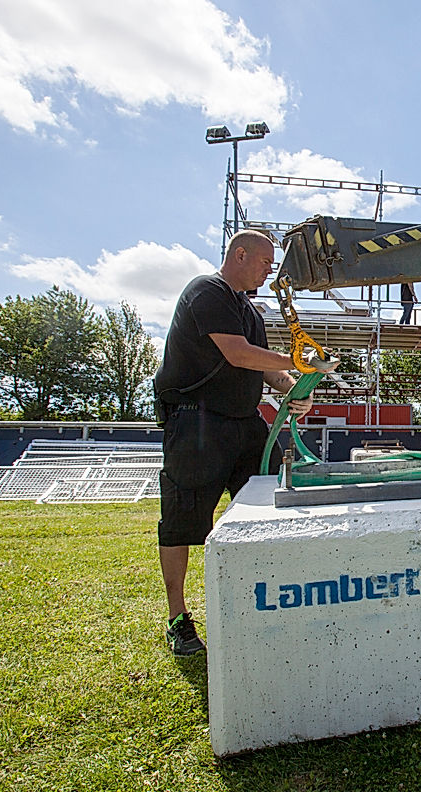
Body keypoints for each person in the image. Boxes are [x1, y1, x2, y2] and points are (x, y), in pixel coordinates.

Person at [153, 229, 313, 657]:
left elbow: (263, 369)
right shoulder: (206, 291)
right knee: (184, 521)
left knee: (272, 502)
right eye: (264, 261)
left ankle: (260, 601)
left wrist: (293, 386)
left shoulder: (251, 312)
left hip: (244, 424)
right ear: (239, 254)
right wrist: (297, 360)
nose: (269, 269)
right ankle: (177, 619)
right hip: (195, 424)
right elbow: (238, 354)